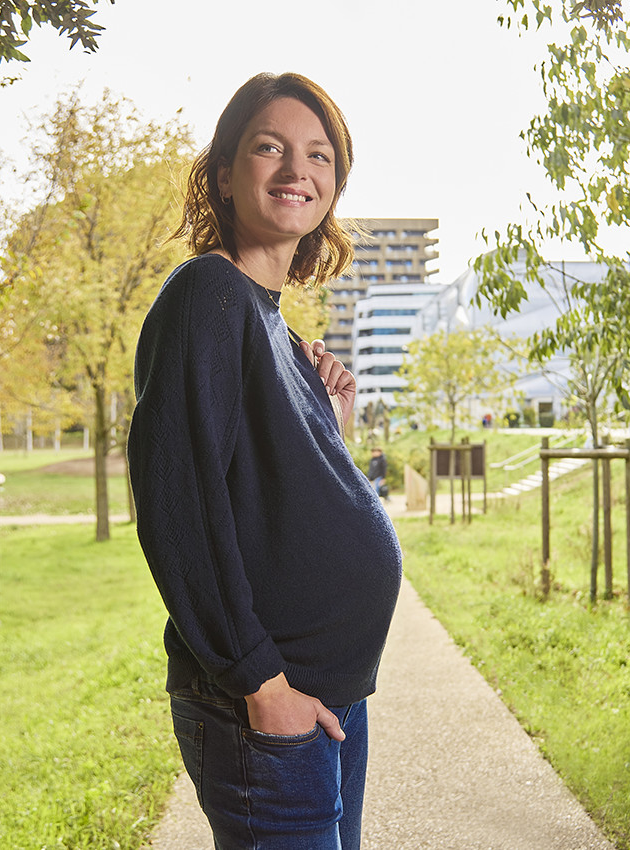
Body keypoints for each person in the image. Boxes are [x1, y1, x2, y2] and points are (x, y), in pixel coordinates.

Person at [127, 72, 402, 850]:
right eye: (269, 147)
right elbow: (179, 509)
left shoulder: (273, 324)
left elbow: (274, 493)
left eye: (319, 156)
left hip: (325, 701)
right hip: (268, 706)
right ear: (224, 174)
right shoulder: (207, 296)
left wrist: (328, 420)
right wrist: (261, 684)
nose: (296, 170)